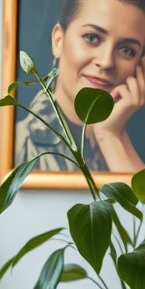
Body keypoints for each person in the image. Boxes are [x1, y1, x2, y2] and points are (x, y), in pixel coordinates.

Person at [15, 0, 145, 173]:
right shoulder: (19, 145)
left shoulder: (122, 141)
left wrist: (111, 136)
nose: (106, 62)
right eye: (91, 38)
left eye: (127, 50)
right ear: (58, 41)